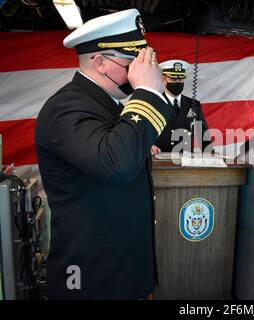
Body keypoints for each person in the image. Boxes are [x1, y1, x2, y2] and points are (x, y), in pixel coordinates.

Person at [35, 9, 172, 299]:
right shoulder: (66, 107)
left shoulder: (110, 105)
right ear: (99, 62)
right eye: (130, 62)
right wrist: (147, 91)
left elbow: (111, 151)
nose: (138, 70)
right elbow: (117, 163)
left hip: (123, 265)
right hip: (91, 274)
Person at [151, 59, 209, 154]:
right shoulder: (154, 103)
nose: (177, 82)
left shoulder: (194, 105)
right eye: (173, 79)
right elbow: (143, 134)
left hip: (185, 162)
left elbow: (203, 136)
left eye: (180, 79)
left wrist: (211, 158)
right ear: (164, 79)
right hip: (160, 160)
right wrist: (149, 146)